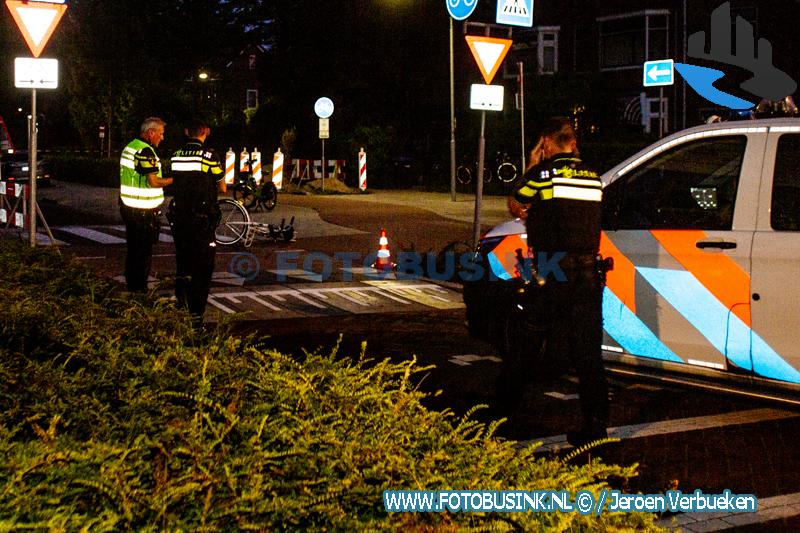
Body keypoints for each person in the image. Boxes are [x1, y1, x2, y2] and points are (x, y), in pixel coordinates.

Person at [503, 117, 609, 447]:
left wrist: (533, 164)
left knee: (526, 344)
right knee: (589, 355)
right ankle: (595, 428)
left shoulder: (544, 174)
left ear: (548, 144)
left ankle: (503, 420)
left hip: (552, 273)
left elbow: (515, 202)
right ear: (573, 143)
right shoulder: (594, 178)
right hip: (588, 276)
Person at [167, 119, 226, 323]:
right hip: (201, 219)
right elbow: (222, 186)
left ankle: (180, 306)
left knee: (183, 263)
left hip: (179, 217)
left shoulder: (175, 155)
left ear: (186, 132)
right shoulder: (209, 155)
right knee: (202, 266)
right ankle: (195, 314)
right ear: (206, 132)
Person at [119, 117, 173, 292]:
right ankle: (139, 290)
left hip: (129, 207)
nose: (162, 138)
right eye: (161, 134)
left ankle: (132, 286)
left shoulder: (131, 146)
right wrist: (176, 179)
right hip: (142, 211)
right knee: (142, 254)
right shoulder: (145, 151)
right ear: (151, 132)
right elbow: (154, 182)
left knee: (134, 251)